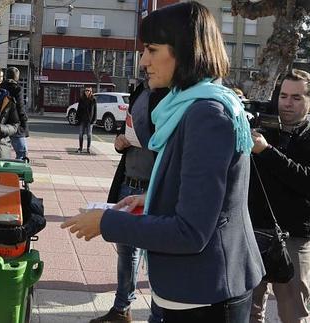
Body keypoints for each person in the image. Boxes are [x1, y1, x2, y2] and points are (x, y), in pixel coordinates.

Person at [61, 2, 264, 322]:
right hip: (191, 291)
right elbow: (201, 196)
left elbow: (191, 232)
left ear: (184, 51)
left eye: (152, 50)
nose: (143, 61)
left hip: (206, 296)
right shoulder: (190, 106)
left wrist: (105, 223)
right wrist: (150, 199)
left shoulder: (206, 114)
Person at [91, 81, 168, 323]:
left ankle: (159, 314)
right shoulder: (139, 92)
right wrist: (119, 143)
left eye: (151, 53)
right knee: (126, 251)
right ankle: (122, 308)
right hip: (128, 183)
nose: (145, 62)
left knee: (157, 254)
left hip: (154, 188)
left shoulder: (170, 96)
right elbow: (127, 132)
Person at [249, 69, 310, 323]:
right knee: (248, 312)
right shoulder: (264, 126)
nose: (287, 102)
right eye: (283, 95)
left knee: (292, 314)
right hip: (254, 232)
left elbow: (305, 180)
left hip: (294, 237)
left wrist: (267, 151)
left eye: (296, 97)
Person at [0, 66, 29, 161]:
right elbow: (20, 107)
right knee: (22, 153)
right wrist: (24, 123)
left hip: (1, 123)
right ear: (17, 77)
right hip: (15, 122)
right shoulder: (17, 88)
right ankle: (17, 173)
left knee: (1, 150)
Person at [76, 87, 97, 154]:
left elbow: (95, 111)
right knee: (80, 134)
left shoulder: (93, 99)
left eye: (88, 91)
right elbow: (78, 109)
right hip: (82, 119)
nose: (87, 92)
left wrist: (94, 120)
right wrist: (77, 118)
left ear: (91, 92)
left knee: (89, 134)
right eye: (86, 91)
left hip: (89, 120)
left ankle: (88, 148)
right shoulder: (81, 99)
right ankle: (80, 148)